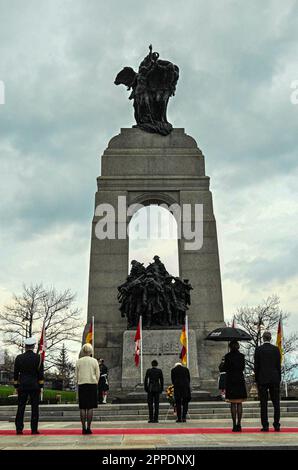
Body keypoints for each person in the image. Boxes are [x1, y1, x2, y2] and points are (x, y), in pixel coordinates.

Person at [14, 336, 44, 435]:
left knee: (21, 407)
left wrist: (16, 385)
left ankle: (19, 429)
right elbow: (40, 374)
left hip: (22, 385)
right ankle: (34, 429)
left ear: (26, 346)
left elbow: (15, 373)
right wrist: (40, 386)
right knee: (34, 408)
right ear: (33, 346)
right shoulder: (38, 358)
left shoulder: (19, 358)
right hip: (34, 386)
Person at [254, 331, 281, 432]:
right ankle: (277, 425)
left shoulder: (258, 350)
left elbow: (256, 366)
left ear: (263, 338)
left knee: (263, 404)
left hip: (263, 379)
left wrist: (256, 379)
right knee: (276, 403)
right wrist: (279, 378)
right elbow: (278, 365)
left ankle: (265, 425)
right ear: (270, 338)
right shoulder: (276, 349)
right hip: (274, 378)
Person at [222, 340, 247, 432]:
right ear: (238, 346)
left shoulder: (227, 356)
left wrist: (223, 362)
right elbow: (243, 367)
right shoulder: (241, 356)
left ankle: (233, 425)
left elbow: (224, 368)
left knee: (233, 403)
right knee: (239, 403)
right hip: (239, 380)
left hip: (231, 380)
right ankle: (239, 424)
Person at [76, 343, 100, 434]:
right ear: (90, 351)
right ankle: (89, 428)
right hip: (92, 384)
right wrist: (95, 382)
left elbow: (76, 375)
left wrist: (78, 382)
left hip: (82, 384)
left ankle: (83, 428)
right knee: (90, 408)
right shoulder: (94, 361)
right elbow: (97, 374)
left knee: (82, 407)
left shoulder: (79, 361)